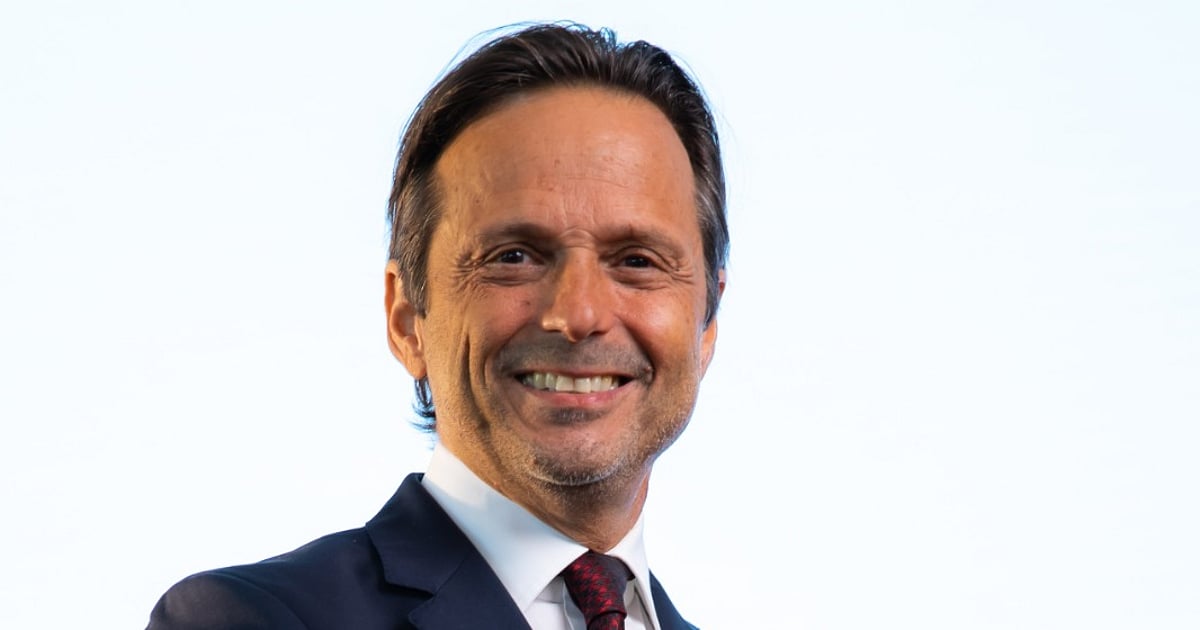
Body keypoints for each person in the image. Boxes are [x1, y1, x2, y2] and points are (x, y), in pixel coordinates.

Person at [147, 22, 727, 630]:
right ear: (406, 319)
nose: (579, 315)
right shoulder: (246, 618)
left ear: (707, 325)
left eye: (637, 261)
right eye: (513, 257)